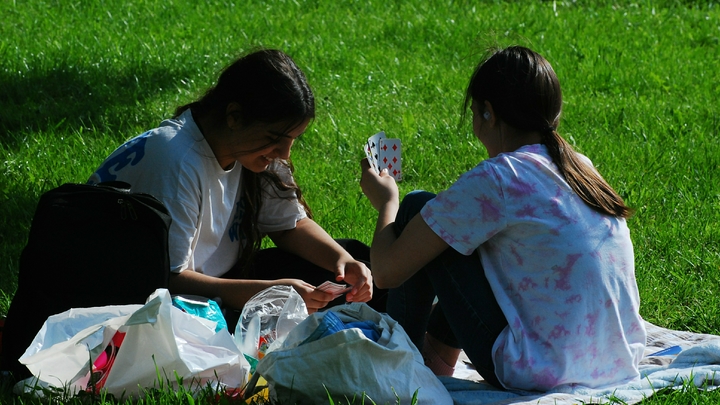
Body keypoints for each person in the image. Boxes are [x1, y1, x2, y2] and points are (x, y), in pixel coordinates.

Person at [359, 46, 646, 391]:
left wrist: (388, 201)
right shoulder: (580, 166)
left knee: (418, 207)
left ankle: (396, 368)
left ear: (488, 114)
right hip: (613, 360)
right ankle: (433, 355)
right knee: (461, 233)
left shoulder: (500, 177)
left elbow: (387, 272)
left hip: (540, 370)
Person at [89, 48, 380, 317]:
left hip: (213, 280)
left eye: (292, 141)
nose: (284, 154)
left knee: (360, 262)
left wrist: (342, 260)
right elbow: (166, 281)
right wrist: (266, 293)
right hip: (147, 301)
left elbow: (289, 225)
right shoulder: (177, 161)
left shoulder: (250, 152)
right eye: (275, 139)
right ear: (234, 117)